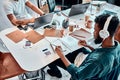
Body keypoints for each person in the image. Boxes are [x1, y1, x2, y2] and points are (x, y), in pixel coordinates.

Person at [47, 14, 120, 80]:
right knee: (76, 49)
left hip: (82, 71)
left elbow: (77, 75)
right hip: (90, 60)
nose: (93, 33)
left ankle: (57, 73)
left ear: (103, 34)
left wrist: (61, 55)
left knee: (52, 57)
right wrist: (88, 46)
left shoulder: (98, 61)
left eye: (95, 30)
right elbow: (102, 52)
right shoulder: (117, 45)